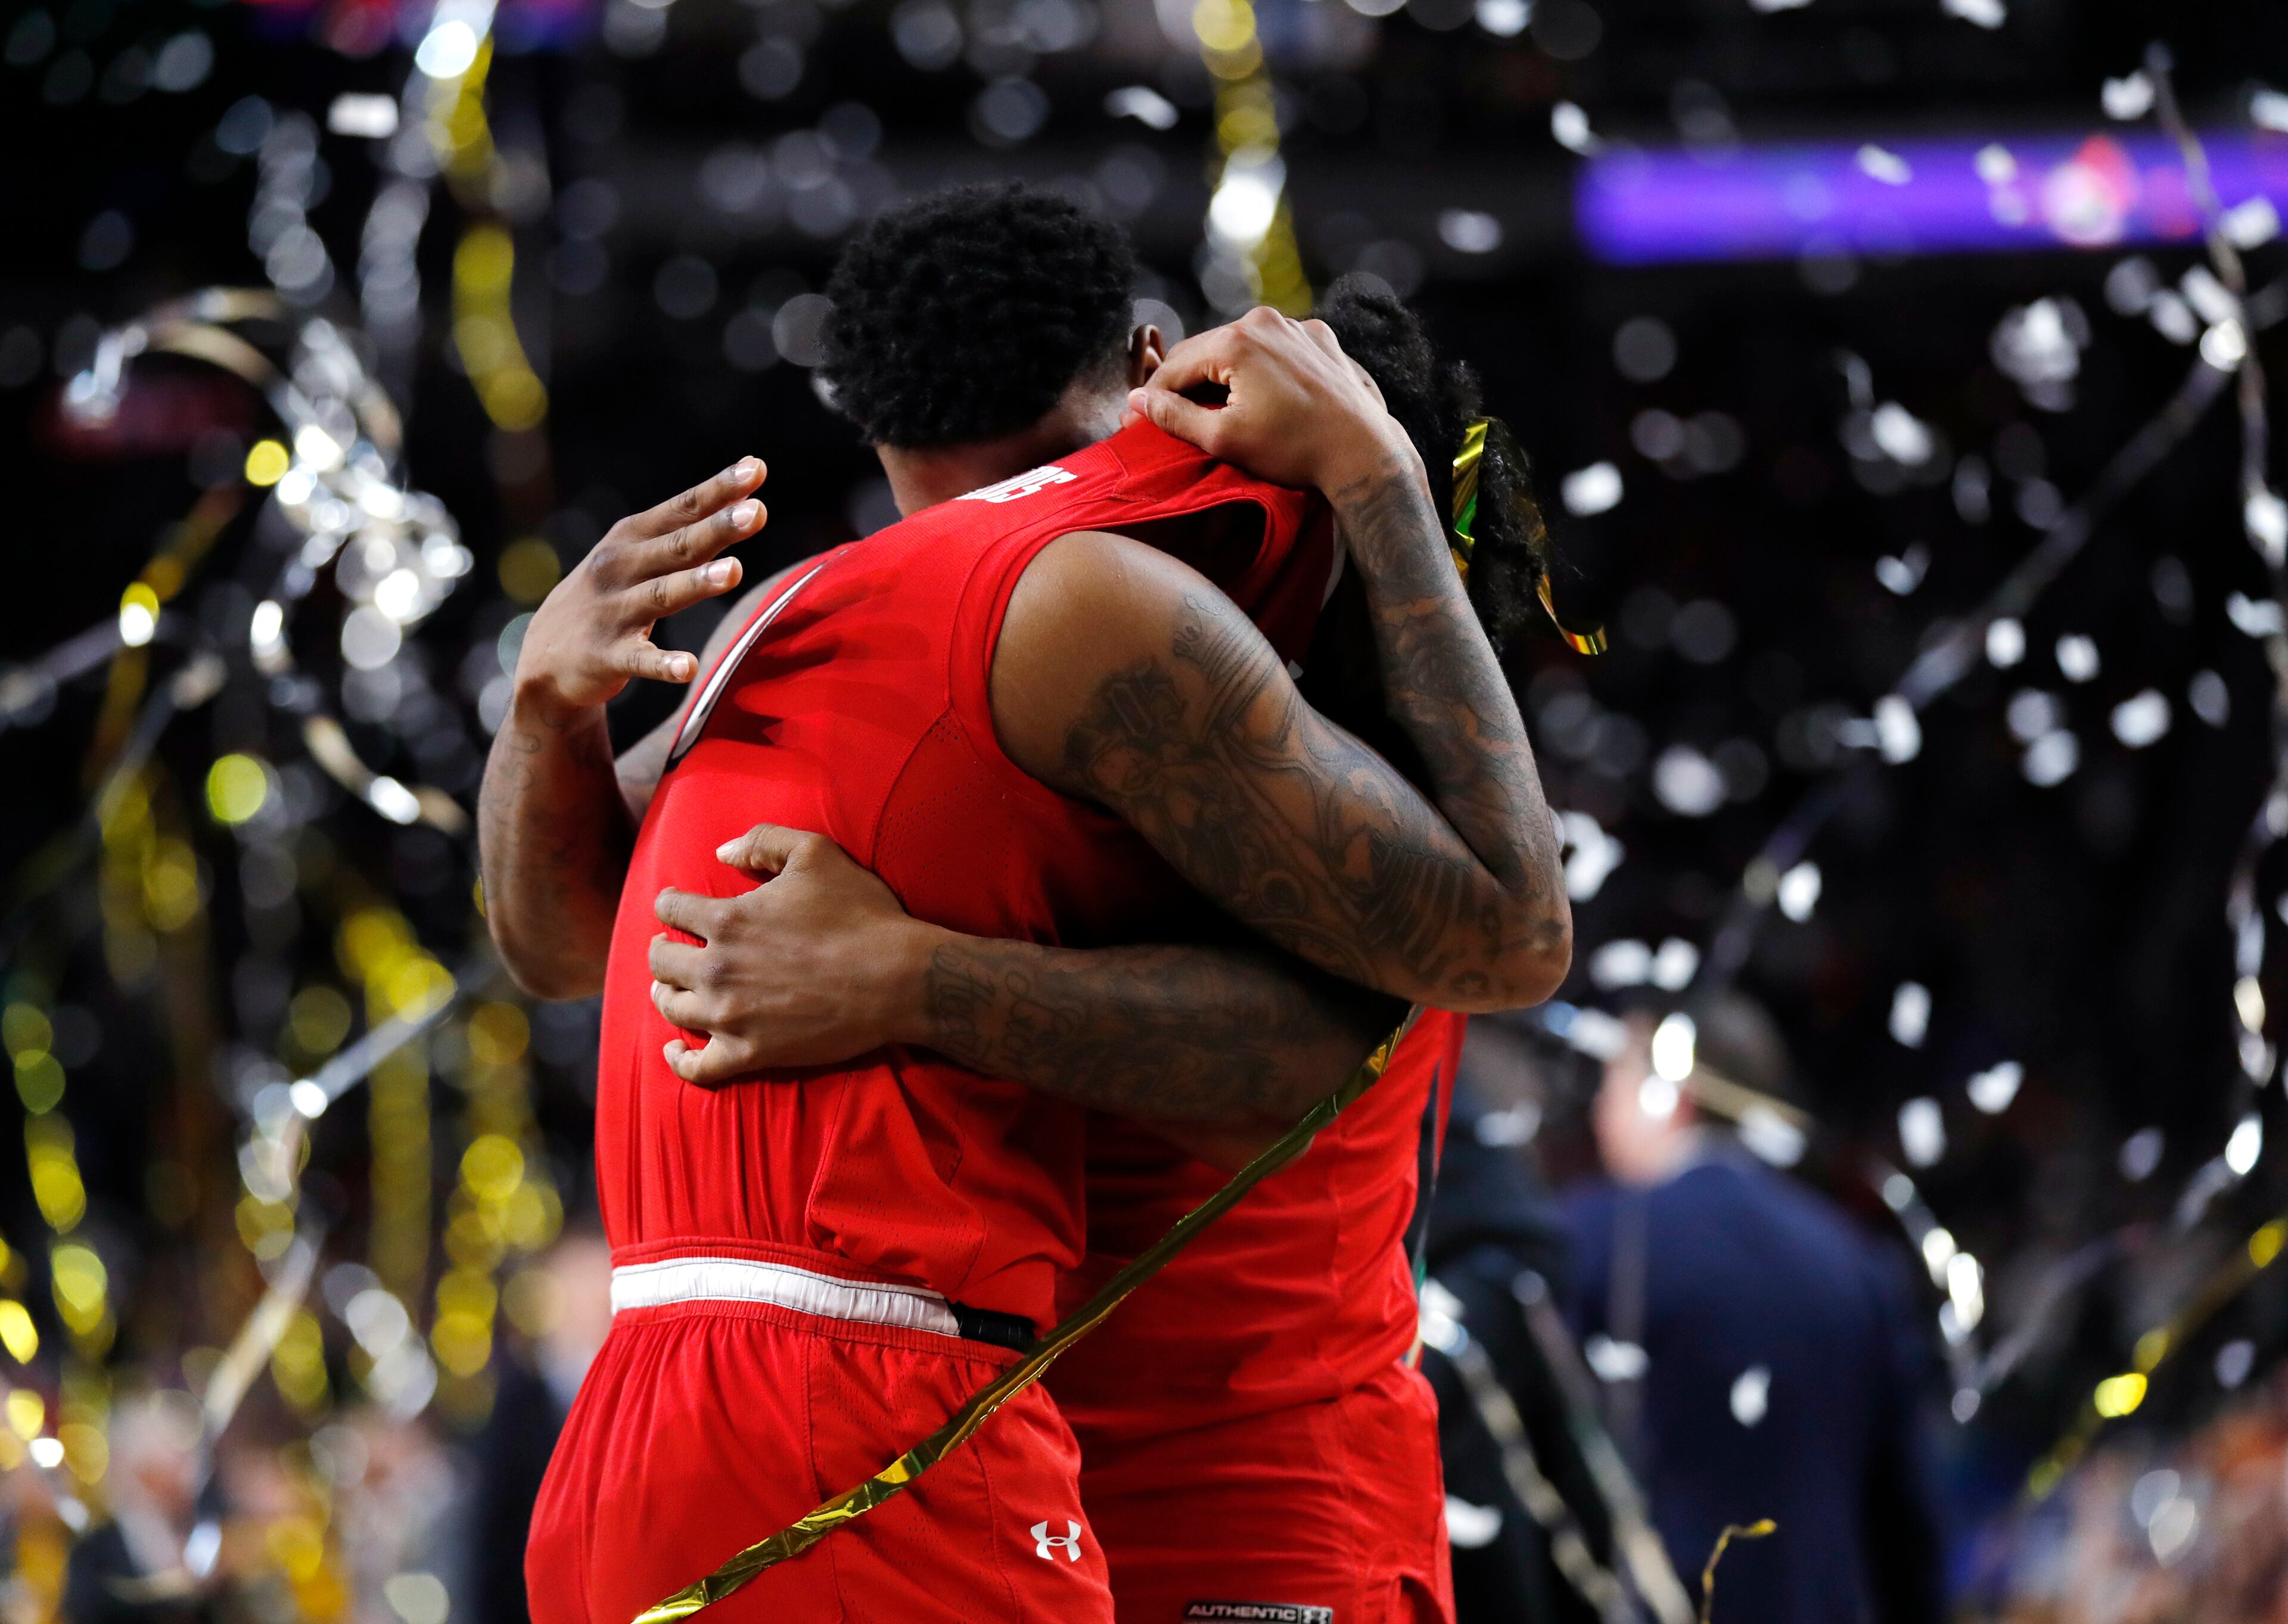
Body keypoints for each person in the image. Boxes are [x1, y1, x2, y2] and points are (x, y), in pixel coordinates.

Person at [480, 185, 1572, 1624]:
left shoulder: (1211, 694)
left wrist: (914, 975)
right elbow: (569, 946)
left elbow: (1426, 981)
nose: (1037, 539)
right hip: (1000, 1455)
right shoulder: (939, 617)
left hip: (1227, 1500)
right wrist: (544, 713)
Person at [1561, 993, 1944, 1624]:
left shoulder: (1592, 1239)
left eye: (1615, 1076)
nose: (1600, 1107)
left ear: (1670, 1091)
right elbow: (1905, 1522)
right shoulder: (1860, 1264)